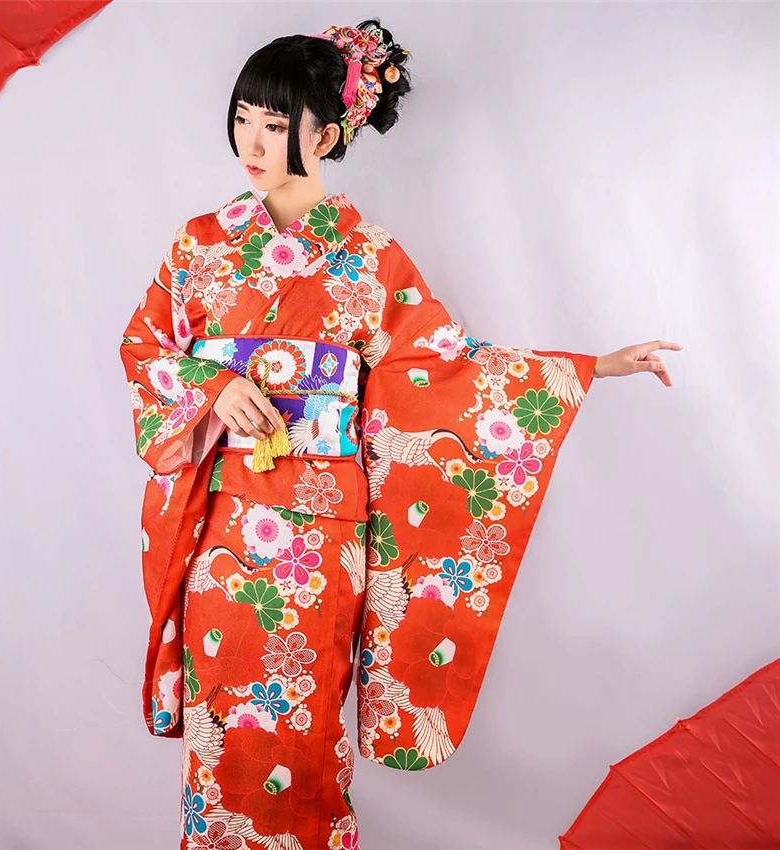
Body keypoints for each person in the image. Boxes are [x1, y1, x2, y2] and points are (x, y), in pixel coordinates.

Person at [119, 19, 682, 850]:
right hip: (225, 523)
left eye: (275, 124)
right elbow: (144, 348)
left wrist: (593, 366)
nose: (252, 142)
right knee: (222, 719)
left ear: (326, 134)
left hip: (321, 537)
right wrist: (214, 386)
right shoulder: (200, 246)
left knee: (304, 727)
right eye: (243, 118)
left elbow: (441, 371)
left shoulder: (370, 257)